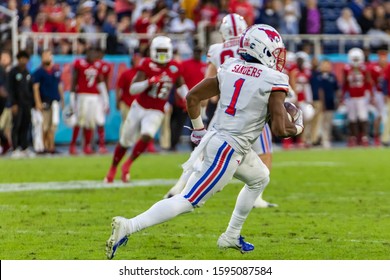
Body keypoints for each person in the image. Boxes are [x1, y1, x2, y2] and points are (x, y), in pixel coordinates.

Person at [105, 24, 304, 259]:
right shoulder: (274, 78)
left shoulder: (231, 66)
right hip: (228, 149)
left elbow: (192, 97)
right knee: (188, 200)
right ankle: (128, 226)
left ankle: (231, 235)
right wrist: (299, 124)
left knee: (260, 178)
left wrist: (199, 132)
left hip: (220, 139)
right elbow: (280, 130)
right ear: (264, 50)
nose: (279, 56)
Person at [164, 13, 277, 208]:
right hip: (253, 107)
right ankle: (256, 199)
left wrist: (203, 108)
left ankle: (180, 187)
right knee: (264, 152)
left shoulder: (217, 49)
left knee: (204, 152)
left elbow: (209, 85)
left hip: (226, 108)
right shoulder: (252, 45)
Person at [104, 36, 189, 183]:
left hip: (157, 109)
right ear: (153, 51)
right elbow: (132, 89)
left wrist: (188, 99)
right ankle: (113, 168)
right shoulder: (147, 65)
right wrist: (148, 82)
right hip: (139, 107)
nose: (162, 54)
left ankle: (127, 164)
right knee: (125, 141)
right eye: (159, 51)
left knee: (147, 135)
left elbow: (181, 87)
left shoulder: (175, 67)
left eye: (164, 51)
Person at [68, 48, 109, 155]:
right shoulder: (79, 64)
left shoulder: (97, 65)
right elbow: (74, 82)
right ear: (86, 53)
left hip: (94, 97)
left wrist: (105, 99)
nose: (92, 55)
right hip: (83, 96)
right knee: (80, 120)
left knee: (90, 122)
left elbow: (100, 82)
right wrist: (72, 98)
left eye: (94, 53)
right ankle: (72, 146)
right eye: (90, 53)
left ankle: (87, 146)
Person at [31, 50, 63, 154]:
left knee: (53, 125)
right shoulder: (38, 72)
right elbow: (35, 88)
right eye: (45, 56)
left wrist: (62, 99)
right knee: (44, 125)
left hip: (55, 102)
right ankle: (44, 146)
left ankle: (51, 146)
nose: (47, 58)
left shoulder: (56, 71)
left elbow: (59, 86)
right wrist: (38, 102)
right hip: (45, 101)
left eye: (49, 56)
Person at [342, 47, 373, 147]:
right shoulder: (346, 69)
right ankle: (353, 137)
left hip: (362, 97)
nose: (355, 61)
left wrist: (370, 95)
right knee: (352, 118)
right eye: (353, 59)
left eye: (356, 59)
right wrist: (343, 96)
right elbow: (345, 84)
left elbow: (368, 82)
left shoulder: (364, 68)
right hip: (351, 97)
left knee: (363, 117)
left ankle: (364, 137)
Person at [9, 50, 34, 158]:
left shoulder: (27, 73)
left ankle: (24, 148)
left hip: (27, 104)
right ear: (18, 59)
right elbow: (10, 89)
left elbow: (30, 89)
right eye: (21, 58)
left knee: (26, 125)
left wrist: (32, 103)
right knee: (16, 126)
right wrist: (13, 103)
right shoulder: (13, 72)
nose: (23, 61)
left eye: (25, 59)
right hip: (17, 104)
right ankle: (15, 148)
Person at [318, 59, 340, 149]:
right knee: (321, 122)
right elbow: (319, 90)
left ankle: (326, 139)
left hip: (330, 102)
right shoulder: (318, 77)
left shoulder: (332, 77)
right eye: (324, 65)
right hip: (320, 103)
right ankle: (321, 139)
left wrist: (338, 100)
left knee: (328, 122)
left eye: (328, 65)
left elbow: (337, 89)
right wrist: (321, 103)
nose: (326, 67)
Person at [95, 49, 112, 154]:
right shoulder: (88, 64)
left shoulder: (105, 65)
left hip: (99, 95)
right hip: (93, 95)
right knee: (94, 122)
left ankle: (100, 145)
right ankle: (97, 145)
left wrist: (106, 97)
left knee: (99, 121)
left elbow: (105, 81)